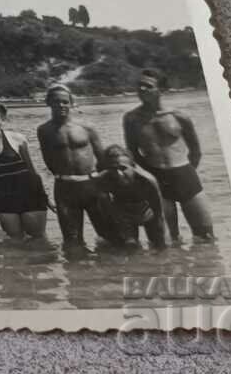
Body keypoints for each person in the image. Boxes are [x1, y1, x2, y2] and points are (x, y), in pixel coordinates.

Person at [123, 69, 215, 242]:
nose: (142, 89)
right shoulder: (131, 119)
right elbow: (132, 153)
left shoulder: (179, 116)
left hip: (185, 176)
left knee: (206, 237)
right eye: (139, 85)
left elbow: (195, 150)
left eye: (148, 86)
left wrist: (186, 173)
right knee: (167, 240)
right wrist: (148, 178)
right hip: (156, 179)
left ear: (161, 90)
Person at [35, 85, 116, 252]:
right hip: (65, 190)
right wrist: (64, 177)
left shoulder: (87, 127)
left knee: (109, 236)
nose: (61, 105)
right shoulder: (44, 130)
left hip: (92, 186)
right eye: (56, 102)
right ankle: (78, 275)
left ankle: (111, 275)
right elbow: (48, 159)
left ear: (72, 103)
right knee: (72, 242)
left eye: (65, 102)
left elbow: (102, 159)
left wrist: (106, 188)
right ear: (48, 103)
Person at [0, 101, 52, 239]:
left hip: (30, 195)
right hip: (4, 198)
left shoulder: (18, 139)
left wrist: (46, 199)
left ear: (3, 119)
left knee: (38, 239)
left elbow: (33, 172)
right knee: (14, 240)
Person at [96, 145, 167, 249]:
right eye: (113, 169)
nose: (118, 173)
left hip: (147, 212)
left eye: (123, 168)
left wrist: (163, 234)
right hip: (123, 213)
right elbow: (106, 210)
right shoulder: (104, 179)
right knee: (128, 249)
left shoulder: (147, 180)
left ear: (132, 166)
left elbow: (160, 214)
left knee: (160, 246)